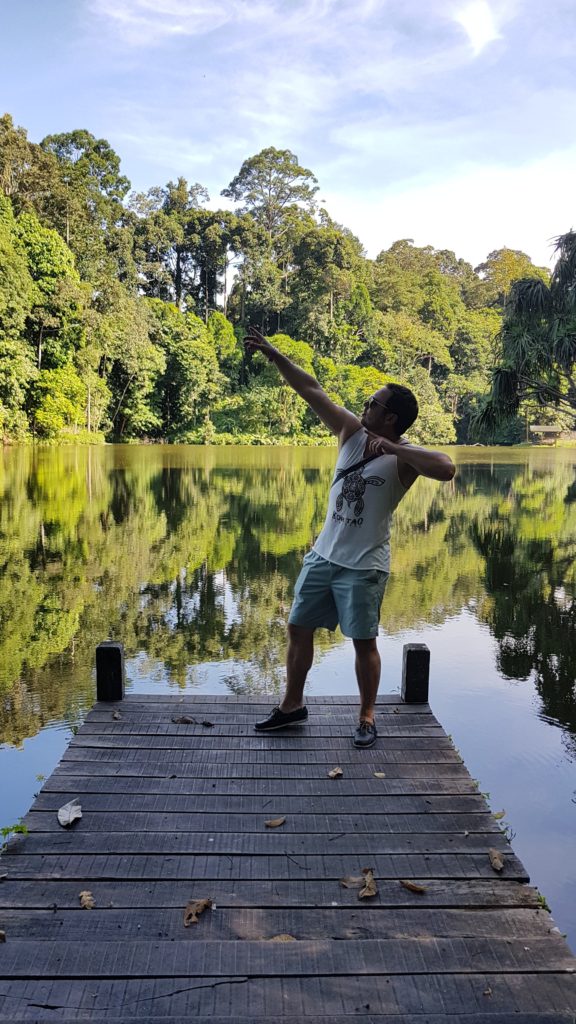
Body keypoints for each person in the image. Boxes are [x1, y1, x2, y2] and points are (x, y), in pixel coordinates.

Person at [244, 326, 455, 748]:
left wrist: (394, 449)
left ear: (391, 418)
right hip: (322, 557)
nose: (365, 405)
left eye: (373, 403)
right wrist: (274, 354)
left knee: (364, 642)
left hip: (364, 566)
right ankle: (291, 706)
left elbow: (447, 467)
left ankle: (367, 717)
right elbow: (311, 388)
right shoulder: (349, 431)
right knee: (297, 628)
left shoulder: (405, 458)